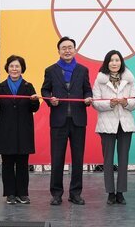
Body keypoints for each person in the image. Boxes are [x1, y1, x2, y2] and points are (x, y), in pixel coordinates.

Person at [42, 36, 93, 205]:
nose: (67, 50)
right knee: (57, 159)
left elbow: (87, 90)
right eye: (63, 48)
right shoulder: (51, 70)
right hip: (58, 120)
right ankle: (56, 194)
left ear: (75, 50)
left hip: (78, 120)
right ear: (58, 51)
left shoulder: (82, 70)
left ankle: (75, 193)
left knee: (78, 159)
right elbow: (45, 90)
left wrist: (88, 98)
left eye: (70, 47)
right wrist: (50, 100)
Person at [0, 55, 40, 205]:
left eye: (17, 66)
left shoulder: (28, 86)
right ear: (7, 68)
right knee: (7, 163)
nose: (14, 69)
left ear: (22, 68)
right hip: (6, 130)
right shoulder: (0, 87)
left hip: (24, 130)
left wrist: (34, 101)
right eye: (12, 66)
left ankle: (23, 193)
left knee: (23, 163)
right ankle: (10, 194)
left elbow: (34, 108)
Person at [91, 49, 135, 205]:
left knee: (123, 160)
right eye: (111, 60)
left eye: (117, 60)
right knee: (108, 160)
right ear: (107, 63)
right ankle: (110, 193)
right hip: (106, 124)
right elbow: (95, 102)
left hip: (125, 124)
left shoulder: (129, 79)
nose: (114, 63)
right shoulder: (100, 80)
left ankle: (121, 192)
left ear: (121, 62)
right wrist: (109, 104)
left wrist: (126, 103)